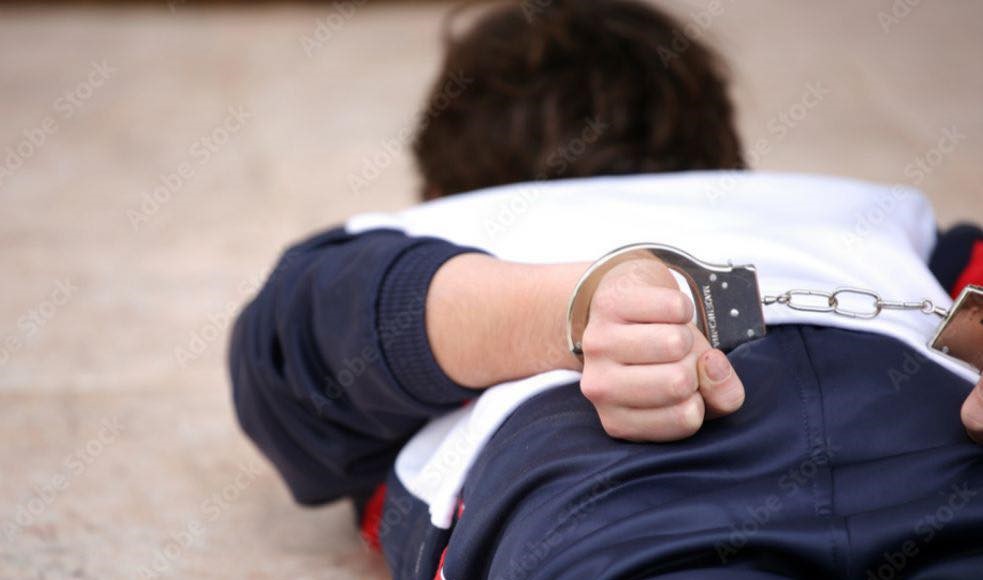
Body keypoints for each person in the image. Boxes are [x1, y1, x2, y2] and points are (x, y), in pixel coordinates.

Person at [228, 1, 983, 578]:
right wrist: (582, 310)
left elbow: (295, 344)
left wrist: (567, 313)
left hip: (623, 505)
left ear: (439, 190)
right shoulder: (858, 212)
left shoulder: (430, 232)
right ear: (728, 160)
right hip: (939, 449)